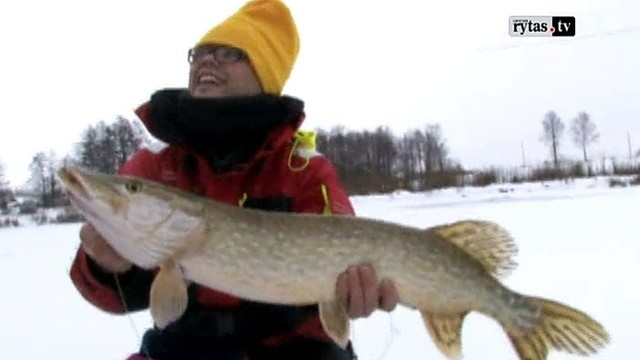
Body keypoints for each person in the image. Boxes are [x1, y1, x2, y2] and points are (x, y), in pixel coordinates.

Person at [69, 0, 399, 359]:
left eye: (229, 53)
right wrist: (103, 266)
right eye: (201, 53)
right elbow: (112, 295)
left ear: (264, 75)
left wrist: (355, 291)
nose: (207, 60)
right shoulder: (155, 168)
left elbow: (347, 265)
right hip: (185, 349)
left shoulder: (303, 170)